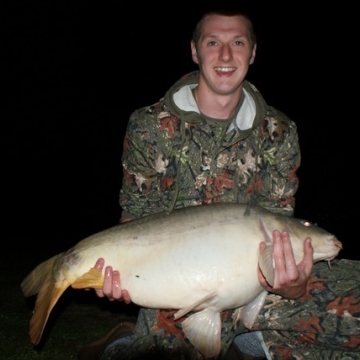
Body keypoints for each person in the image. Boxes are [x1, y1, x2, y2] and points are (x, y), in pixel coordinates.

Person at [78, 6, 360, 360]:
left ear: (252, 52)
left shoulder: (280, 132)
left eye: (237, 42)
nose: (226, 55)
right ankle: (123, 347)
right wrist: (121, 273)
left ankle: (255, 342)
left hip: (257, 285)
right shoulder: (150, 126)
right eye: (213, 42)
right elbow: (137, 218)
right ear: (195, 51)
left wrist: (294, 284)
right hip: (182, 285)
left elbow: (277, 222)